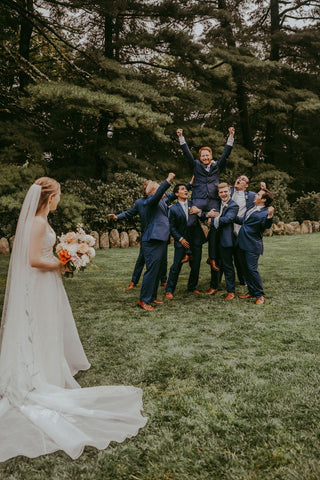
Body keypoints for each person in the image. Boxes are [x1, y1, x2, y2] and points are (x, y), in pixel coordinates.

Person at [0, 177, 147, 462]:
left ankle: (46, 365)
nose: (60, 198)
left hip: (46, 281)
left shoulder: (40, 220)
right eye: (59, 194)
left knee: (46, 326)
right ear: (49, 196)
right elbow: (32, 259)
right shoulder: (39, 223)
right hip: (40, 280)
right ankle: (40, 371)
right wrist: (63, 262)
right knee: (40, 326)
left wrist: (66, 257)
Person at [177, 126, 235, 271]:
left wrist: (231, 137)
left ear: (210, 156)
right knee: (190, 222)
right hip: (198, 199)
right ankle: (188, 252)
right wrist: (181, 138)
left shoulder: (217, 167)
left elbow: (226, 155)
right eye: (203, 155)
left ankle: (212, 258)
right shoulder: (196, 165)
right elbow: (187, 154)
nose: (205, 157)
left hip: (213, 201)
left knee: (215, 225)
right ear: (200, 157)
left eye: (207, 155)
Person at [138, 172, 176, 311]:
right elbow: (160, 192)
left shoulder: (161, 201)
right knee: (152, 270)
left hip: (160, 239)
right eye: (157, 187)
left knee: (157, 270)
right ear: (152, 191)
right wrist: (168, 180)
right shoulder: (150, 200)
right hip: (152, 240)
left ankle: (152, 296)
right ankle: (143, 300)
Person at [165, 184, 205, 299]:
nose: (186, 191)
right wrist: (180, 239)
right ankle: (169, 290)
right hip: (182, 241)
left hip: (196, 240)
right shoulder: (172, 209)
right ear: (177, 194)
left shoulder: (194, 204)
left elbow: (203, 217)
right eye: (182, 189)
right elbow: (172, 227)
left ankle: (192, 287)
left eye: (186, 189)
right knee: (176, 266)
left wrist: (199, 212)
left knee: (196, 265)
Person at [235, 187, 274, 304]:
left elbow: (266, 225)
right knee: (245, 270)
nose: (255, 195)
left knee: (252, 269)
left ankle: (260, 295)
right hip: (241, 243)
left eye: (258, 194)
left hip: (252, 245)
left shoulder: (265, 213)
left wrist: (270, 216)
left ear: (263, 200)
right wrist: (226, 215)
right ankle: (251, 291)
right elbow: (244, 221)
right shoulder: (252, 208)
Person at [205, 183, 239, 299]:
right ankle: (214, 286)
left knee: (227, 264)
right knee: (214, 262)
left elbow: (228, 219)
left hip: (226, 239)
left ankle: (231, 291)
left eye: (225, 191)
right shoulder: (216, 203)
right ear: (218, 194)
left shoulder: (233, 206)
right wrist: (208, 216)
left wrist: (213, 219)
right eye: (221, 192)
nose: (223, 194)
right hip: (214, 238)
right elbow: (208, 216)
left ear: (230, 191)